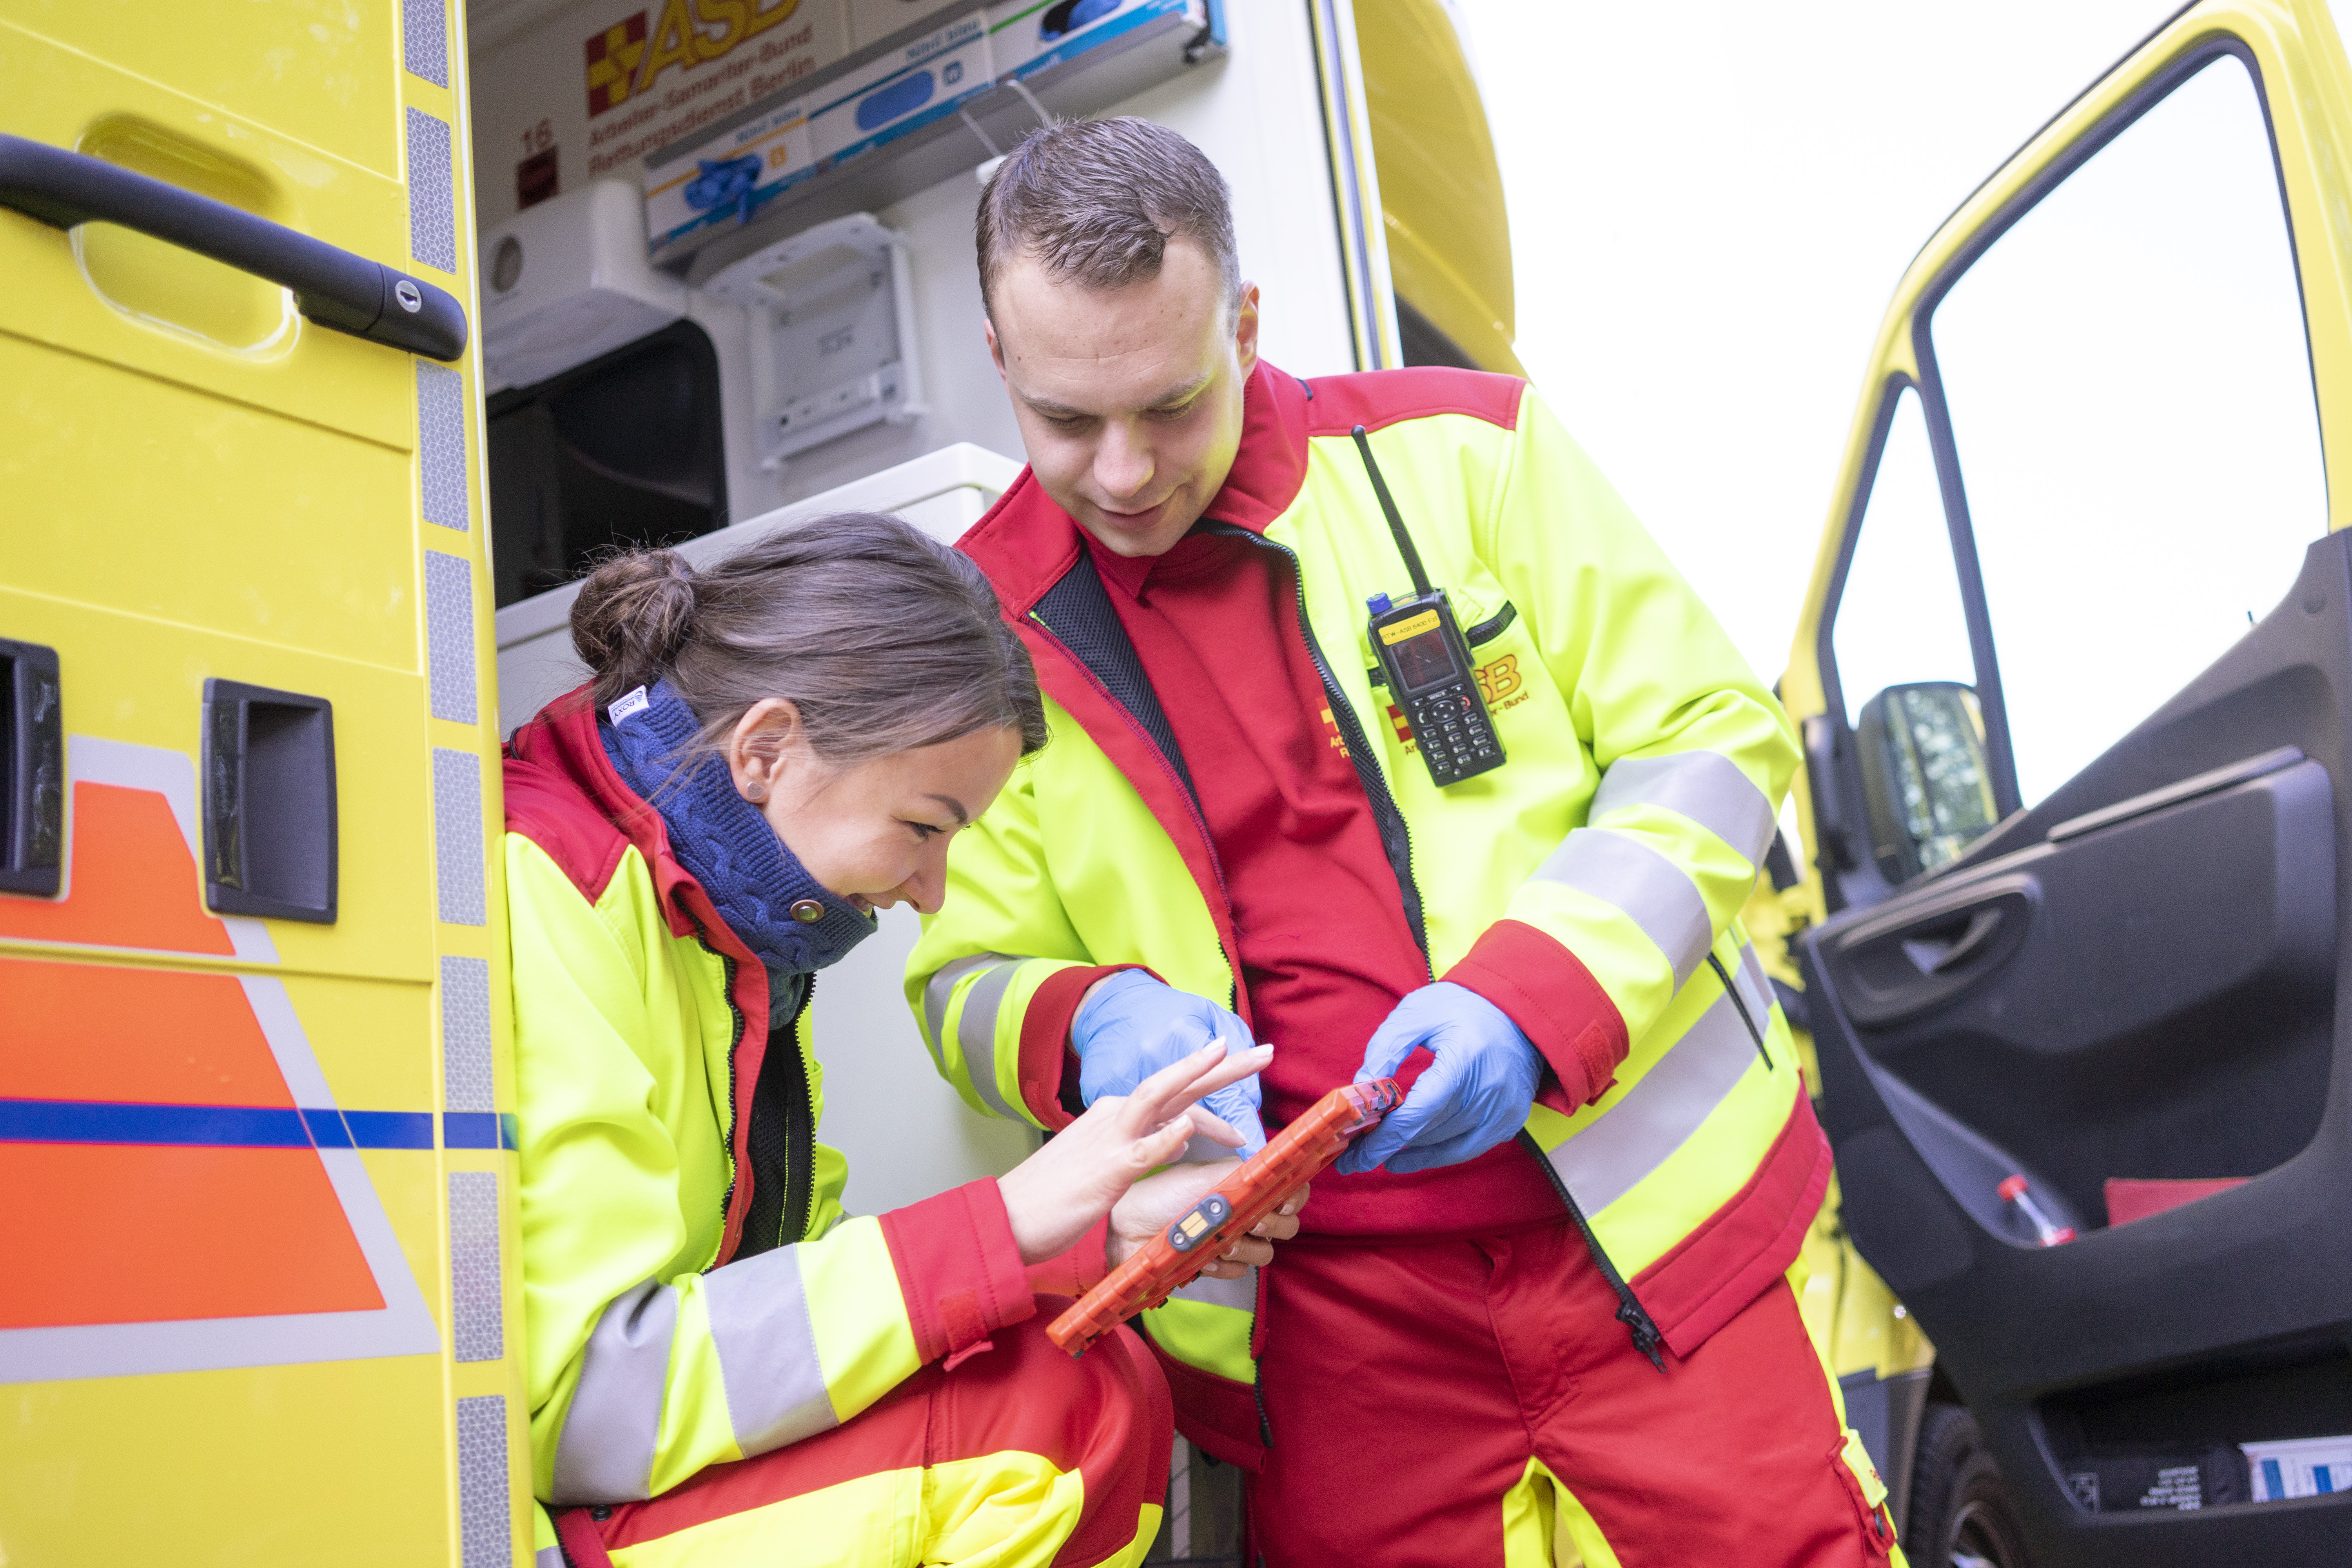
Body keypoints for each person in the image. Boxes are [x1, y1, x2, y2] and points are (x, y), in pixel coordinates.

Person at [908, 120, 1904, 1566]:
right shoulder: (978, 623)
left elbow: (1711, 740)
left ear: (1246, 326)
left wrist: (1532, 999)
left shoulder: (1472, 455)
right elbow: (962, 978)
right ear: (1000, 358)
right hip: (1323, 1343)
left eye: (1172, 407)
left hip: (1658, 1261)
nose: (1122, 473)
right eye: (1067, 422)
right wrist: (1090, 1020)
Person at [502, 514, 1304, 1568]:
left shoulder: (724, 910)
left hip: (632, 1482)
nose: (931, 894)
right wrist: (1004, 1226)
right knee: (1049, 1425)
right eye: (924, 828)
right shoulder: (550, 888)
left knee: (1072, 1372)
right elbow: (581, 1409)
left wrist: (1094, 1242)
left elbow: (778, 1282)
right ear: (766, 750)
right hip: (547, 1511)